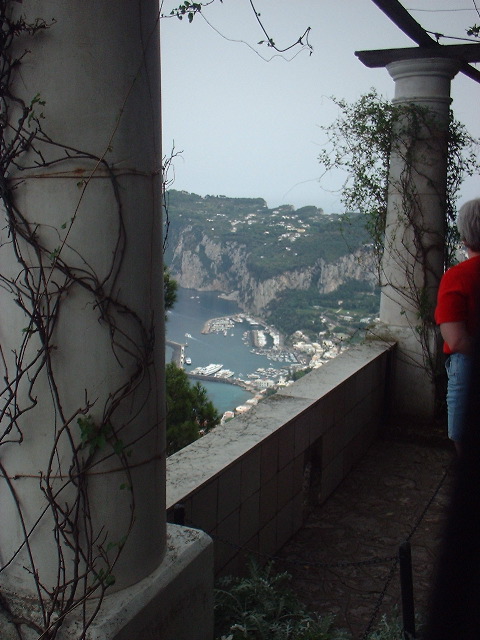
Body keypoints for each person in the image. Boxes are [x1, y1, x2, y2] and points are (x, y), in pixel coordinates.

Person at [435, 197, 480, 454]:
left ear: (464, 238)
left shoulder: (458, 277)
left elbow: (456, 339)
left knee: (465, 440)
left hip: (468, 364)